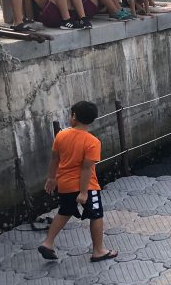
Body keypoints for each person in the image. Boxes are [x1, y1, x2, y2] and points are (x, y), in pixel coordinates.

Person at [40, 100, 116, 262]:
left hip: (65, 185)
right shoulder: (92, 142)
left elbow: (54, 159)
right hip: (87, 186)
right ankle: (98, 251)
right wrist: (83, 192)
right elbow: (86, 168)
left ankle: (48, 243)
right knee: (96, 215)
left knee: (64, 211)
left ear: (74, 116)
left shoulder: (61, 135)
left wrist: (52, 178)